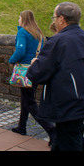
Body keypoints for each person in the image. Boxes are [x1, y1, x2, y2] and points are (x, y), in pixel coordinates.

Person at [27, 2, 84, 151]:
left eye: (54, 17)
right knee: (74, 140)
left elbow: (37, 73)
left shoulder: (58, 41)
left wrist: (34, 63)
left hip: (69, 107)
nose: (54, 21)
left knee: (69, 142)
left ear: (61, 19)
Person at [8, 10, 55, 144]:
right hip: (35, 69)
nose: (18, 20)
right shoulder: (38, 33)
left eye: (19, 17)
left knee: (30, 102)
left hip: (24, 71)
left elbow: (20, 51)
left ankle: (51, 130)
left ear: (23, 19)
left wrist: (11, 60)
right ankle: (22, 127)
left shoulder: (23, 32)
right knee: (26, 99)